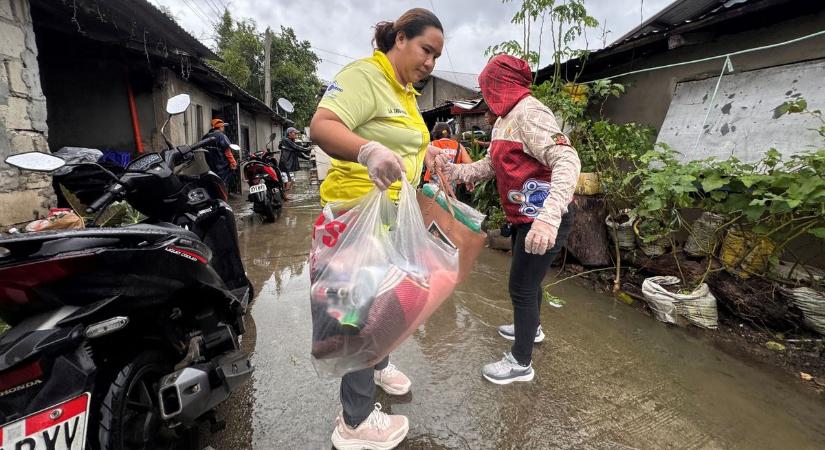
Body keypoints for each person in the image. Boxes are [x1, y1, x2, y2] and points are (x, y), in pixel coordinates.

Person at [309, 8, 444, 450]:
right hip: (354, 220)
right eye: (427, 49)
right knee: (354, 319)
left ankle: (378, 365)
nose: (431, 63)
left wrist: (430, 160)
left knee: (385, 303)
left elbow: (405, 145)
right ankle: (355, 421)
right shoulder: (366, 76)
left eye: (437, 56)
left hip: (387, 218)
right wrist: (366, 150)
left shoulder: (404, 92)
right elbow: (322, 126)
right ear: (400, 38)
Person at [437, 54, 580, 385]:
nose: (486, 94)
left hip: (545, 216)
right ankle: (534, 328)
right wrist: (454, 171)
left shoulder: (531, 113)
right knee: (528, 283)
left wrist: (547, 218)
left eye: (489, 86)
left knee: (521, 286)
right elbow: (489, 165)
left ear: (501, 84)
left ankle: (521, 362)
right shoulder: (504, 119)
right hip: (523, 217)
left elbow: (567, 159)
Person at [278, 126, 311, 199]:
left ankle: (284, 194)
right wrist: (307, 149)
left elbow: (298, 152)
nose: (296, 135)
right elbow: (297, 148)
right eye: (294, 133)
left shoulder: (290, 142)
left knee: (290, 180)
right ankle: (284, 195)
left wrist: (308, 157)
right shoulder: (286, 140)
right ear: (289, 133)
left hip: (289, 164)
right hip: (286, 164)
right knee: (288, 180)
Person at [202, 119, 237, 186]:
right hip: (222, 166)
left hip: (210, 165)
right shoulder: (221, 136)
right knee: (222, 184)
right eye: (223, 126)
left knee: (214, 183)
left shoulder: (205, 137)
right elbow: (227, 151)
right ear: (220, 127)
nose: (223, 128)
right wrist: (233, 162)